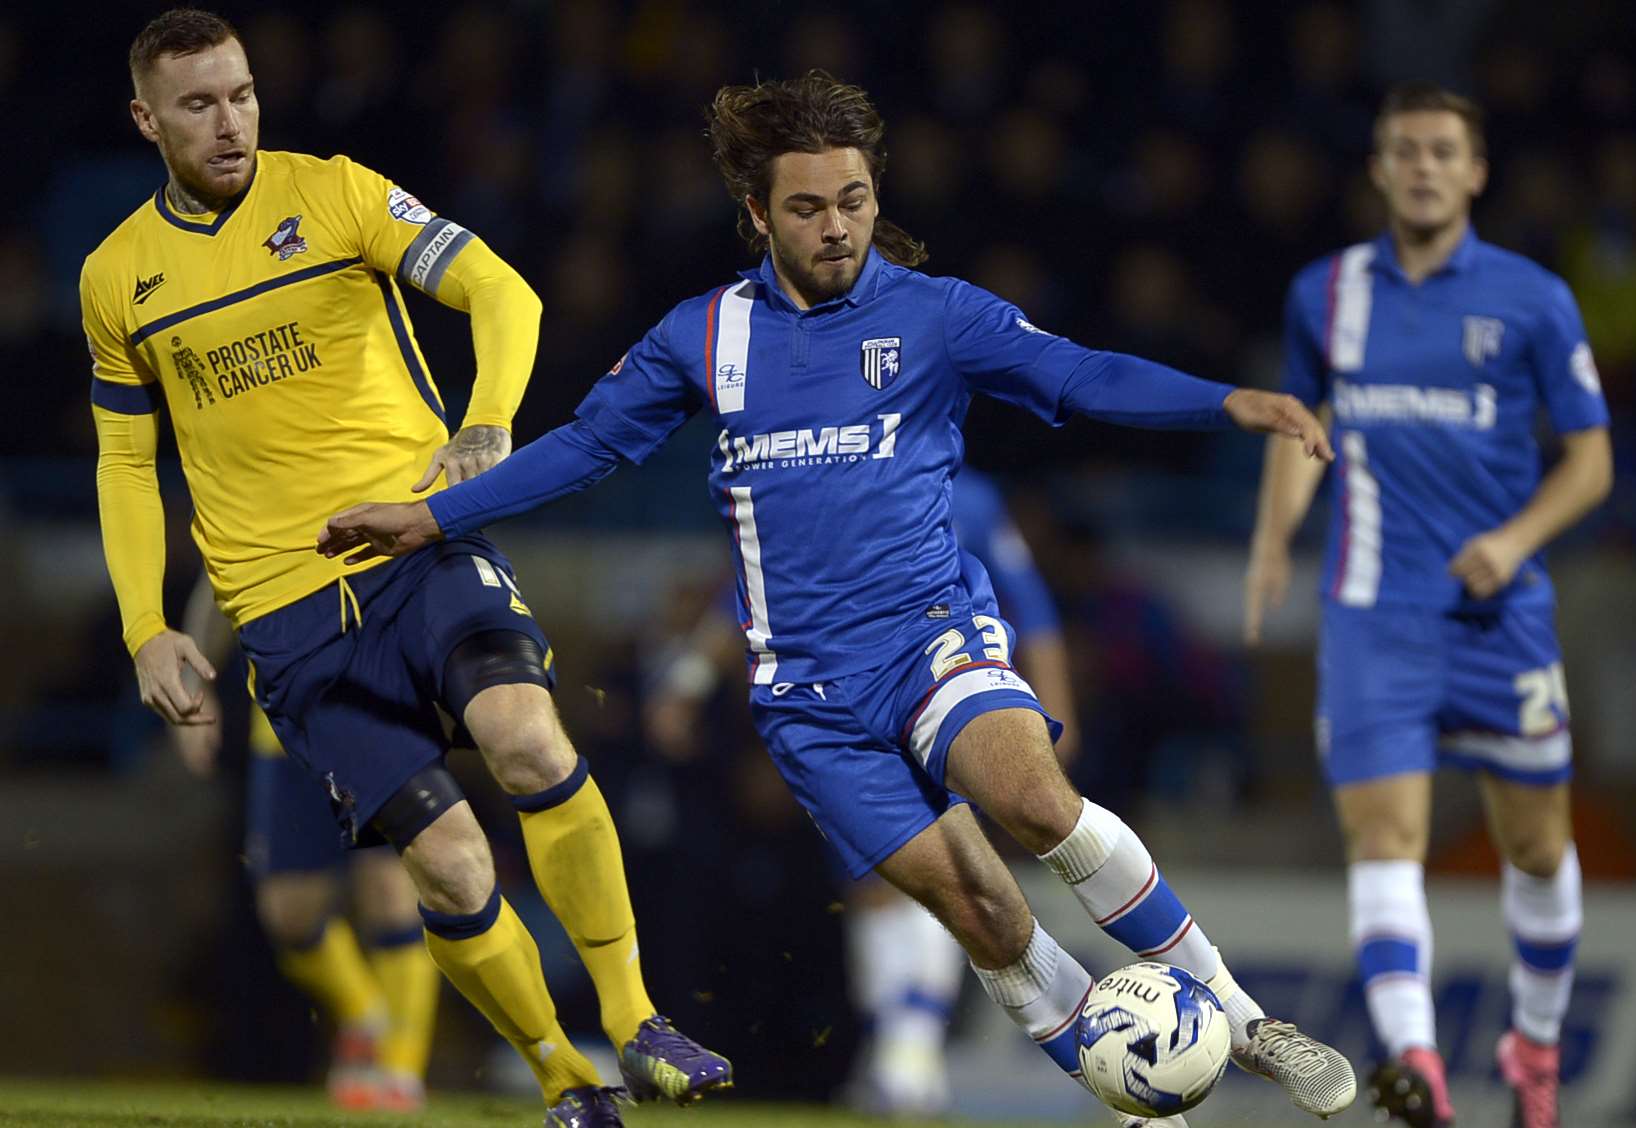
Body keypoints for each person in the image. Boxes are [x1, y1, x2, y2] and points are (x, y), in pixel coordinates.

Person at [318, 71, 1356, 1128]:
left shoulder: (936, 315)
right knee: (982, 915)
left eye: (852, 200)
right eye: (807, 207)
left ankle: (1240, 1016)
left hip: (927, 638)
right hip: (806, 697)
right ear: (758, 214)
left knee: (1033, 801)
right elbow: (591, 448)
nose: (836, 226)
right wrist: (434, 518)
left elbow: (1081, 375)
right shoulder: (703, 335)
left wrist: (1230, 403)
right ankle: (1140, 1085)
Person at [82, 11, 728, 1125]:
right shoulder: (116, 277)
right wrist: (148, 624)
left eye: (240, 93)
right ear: (146, 119)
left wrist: (484, 425)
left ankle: (633, 1020)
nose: (229, 120)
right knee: (447, 866)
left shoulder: (337, 192)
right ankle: (565, 1083)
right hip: (282, 615)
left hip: (415, 544)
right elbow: (127, 460)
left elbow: (502, 293)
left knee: (527, 738)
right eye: (198, 104)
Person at [1242, 83, 1611, 1128]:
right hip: (1372, 614)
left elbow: (1589, 463)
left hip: (1500, 617)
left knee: (1537, 849)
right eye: (1402, 149)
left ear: (1474, 171)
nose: (1420, 166)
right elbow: (1305, 423)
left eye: (1441, 151)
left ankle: (1530, 1052)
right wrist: (1271, 542)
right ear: (1375, 166)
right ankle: (1419, 1070)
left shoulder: (1531, 298)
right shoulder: (1323, 293)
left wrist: (1514, 539)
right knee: (1383, 838)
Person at [643, 464, 1079, 1117]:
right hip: (847, 697)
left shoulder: (971, 495)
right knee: (882, 876)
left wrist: (1055, 705)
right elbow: (753, 589)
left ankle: (910, 1048)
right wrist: (689, 680)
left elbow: (1032, 605)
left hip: (944, 692)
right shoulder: (819, 474)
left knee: (937, 864)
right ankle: (903, 1049)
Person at [172, 571, 438, 1113]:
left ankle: (401, 1070)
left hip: (382, 719)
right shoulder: (259, 499)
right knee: (288, 913)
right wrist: (195, 688)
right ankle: (366, 1012)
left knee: (393, 894)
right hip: (284, 732)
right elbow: (219, 583)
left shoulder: (387, 488)